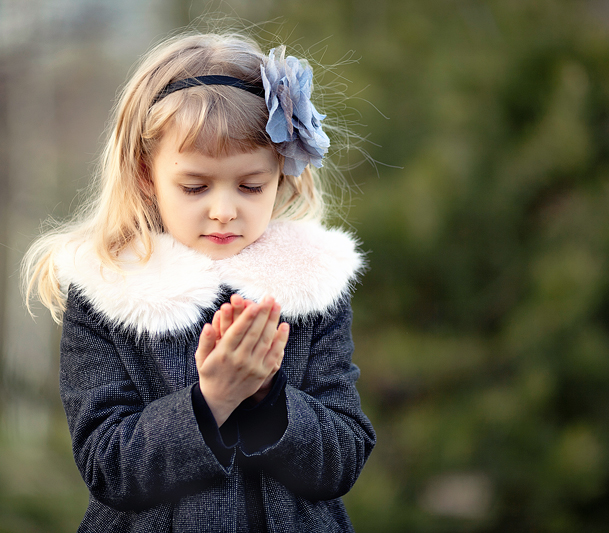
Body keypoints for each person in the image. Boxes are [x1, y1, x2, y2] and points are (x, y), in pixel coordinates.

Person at [22, 29, 375, 533]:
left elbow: (343, 457)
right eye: (195, 186)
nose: (224, 210)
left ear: (281, 175)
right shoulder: (107, 289)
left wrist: (268, 397)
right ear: (146, 175)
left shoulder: (310, 284)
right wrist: (212, 399)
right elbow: (108, 467)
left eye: (250, 185)